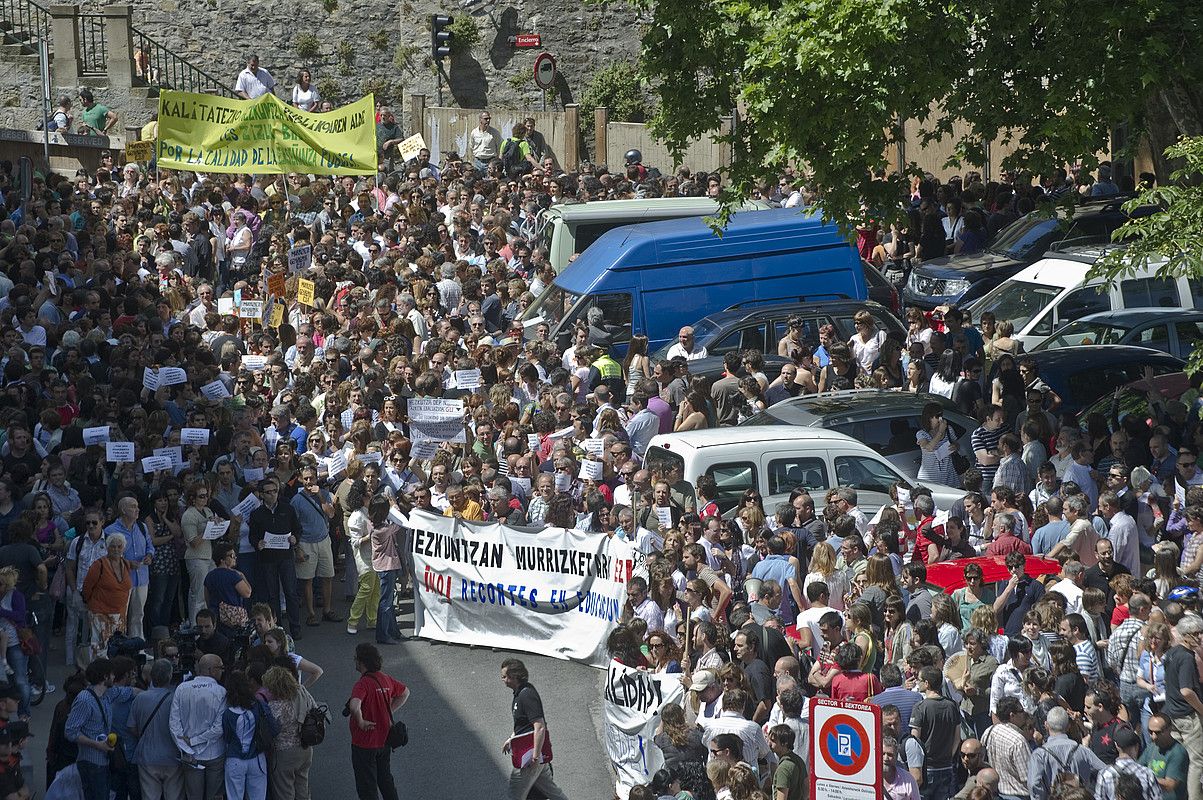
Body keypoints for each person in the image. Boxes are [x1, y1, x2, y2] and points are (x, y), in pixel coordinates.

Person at [501, 657, 568, 800]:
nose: (503, 679)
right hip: (533, 756)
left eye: (505, 676)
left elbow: (539, 727)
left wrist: (535, 756)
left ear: (514, 677)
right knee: (552, 792)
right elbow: (523, 724)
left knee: (515, 794)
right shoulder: (520, 693)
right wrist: (511, 739)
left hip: (529, 756)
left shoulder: (526, 695)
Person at [349, 643, 409, 800]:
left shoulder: (362, 684)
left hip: (364, 744)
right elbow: (405, 692)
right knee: (386, 780)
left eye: (356, 659)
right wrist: (388, 712)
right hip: (384, 741)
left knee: (367, 787)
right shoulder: (385, 679)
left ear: (362, 662)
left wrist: (361, 722)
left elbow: (354, 706)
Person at [170, 654, 228, 800]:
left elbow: (174, 724)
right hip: (214, 753)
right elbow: (219, 728)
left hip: (190, 756)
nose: (223, 671)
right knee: (214, 796)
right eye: (221, 668)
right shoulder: (221, 692)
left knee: (193, 796)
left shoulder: (181, 689)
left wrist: (187, 748)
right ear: (211, 670)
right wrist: (195, 741)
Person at [127, 658, 182, 800]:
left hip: (147, 756)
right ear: (170, 676)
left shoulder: (140, 698)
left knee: (150, 796)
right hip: (173, 756)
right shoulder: (176, 698)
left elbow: (132, 727)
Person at [1162, 615, 1203, 800]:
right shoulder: (1187, 657)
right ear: (1186, 635)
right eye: (1197, 634)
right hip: (1188, 716)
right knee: (1197, 762)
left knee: (1180, 760)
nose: (1200, 637)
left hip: (1172, 714)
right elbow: (1186, 691)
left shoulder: (1171, 653)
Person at [64, 657, 116, 800]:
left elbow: (126, 692)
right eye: (112, 674)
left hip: (102, 762)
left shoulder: (105, 696)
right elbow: (70, 731)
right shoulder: (85, 700)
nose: (114, 677)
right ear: (105, 676)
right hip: (91, 763)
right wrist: (97, 745)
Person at [223, 670, 278, 800]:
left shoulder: (228, 713)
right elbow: (273, 727)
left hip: (235, 759)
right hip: (257, 758)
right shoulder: (258, 705)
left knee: (234, 796)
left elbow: (227, 737)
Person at [767, 724, 806, 800]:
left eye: (773, 741)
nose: (769, 744)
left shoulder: (783, 768)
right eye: (769, 740)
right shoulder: (798, 760)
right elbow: (806, 788)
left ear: (784, 743)